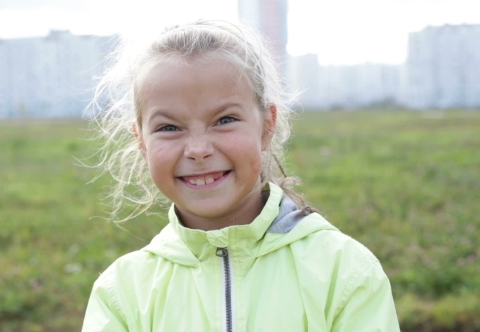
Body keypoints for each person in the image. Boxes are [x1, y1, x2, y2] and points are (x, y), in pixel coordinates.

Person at [82, 20, 400, 331]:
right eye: (168, 127)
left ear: (267, 125)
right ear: (141, 141)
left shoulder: (344, 271)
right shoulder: (120, 294)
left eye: (224, 119)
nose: (198, 149)